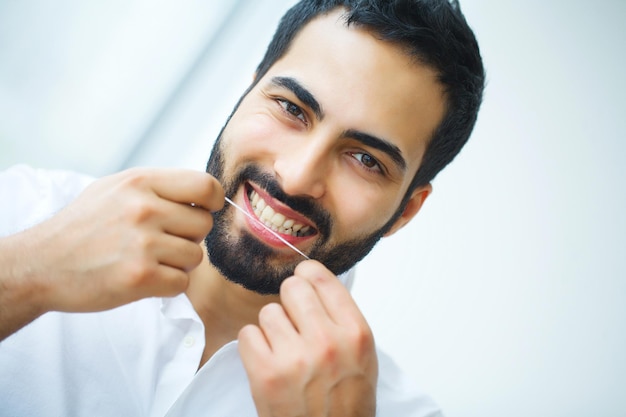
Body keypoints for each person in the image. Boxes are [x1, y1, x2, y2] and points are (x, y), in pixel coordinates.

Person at [0, 0, 484, 415]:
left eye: (365, 159)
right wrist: (24, 276)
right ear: (247, 91)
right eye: (292, 108)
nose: (296, 176)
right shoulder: (24, 214)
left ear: (406, 211)